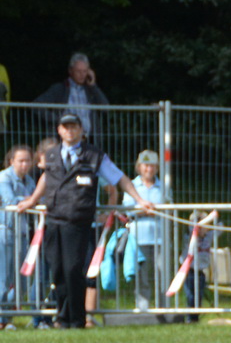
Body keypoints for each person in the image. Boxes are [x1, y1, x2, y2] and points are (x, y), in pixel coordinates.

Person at [7, 113, 153, 328]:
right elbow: (46, 178)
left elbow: (119, 177)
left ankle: (74, 318)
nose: (69, 131)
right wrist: (32, 200)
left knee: (73, 269)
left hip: (78, 220)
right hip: (54, 219)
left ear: (81, 130)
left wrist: (140, 199)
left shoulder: (94, 156)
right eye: (65, 127)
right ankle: (62, 315)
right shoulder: (52, 154)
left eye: (73, 127)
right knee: (57, 269)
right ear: (59, 130)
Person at [122, 150, 170, 317]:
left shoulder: (163, 187)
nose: (148, 169)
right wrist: (145, 210)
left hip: (160, 238)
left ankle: (163, 309)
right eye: (145, 165)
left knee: (162, 273)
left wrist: (150, 210)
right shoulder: (132, 186)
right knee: (142, 275)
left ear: (157, 168)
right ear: (139, 167)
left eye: (152, 165)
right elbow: (128, 208)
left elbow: (168, 207)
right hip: (138, 237)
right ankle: (143, 309)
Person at [33, 52, 110, 136]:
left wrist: (93, 86)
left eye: (85, 71)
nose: (82, 75)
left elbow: (105, 108)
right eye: (78, 71)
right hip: (65, 138)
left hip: (88, 139)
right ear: (70, 71)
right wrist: (57, 119)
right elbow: (36, 105)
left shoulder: (90, 90)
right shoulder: (60, 88)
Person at [1, 144, 36, 319]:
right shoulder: (3, 178)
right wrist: (31, 200)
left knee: (21, 280)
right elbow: (10, 202)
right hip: (5, 232)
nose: (25, 164)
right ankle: (2, 317)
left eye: (28, 160)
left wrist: (30, 201)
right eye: (21, 161)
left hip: (22, 233)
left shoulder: (29, 181)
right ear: (11, 161)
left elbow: (38, 199)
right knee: (3, 278)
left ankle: (7, 316)